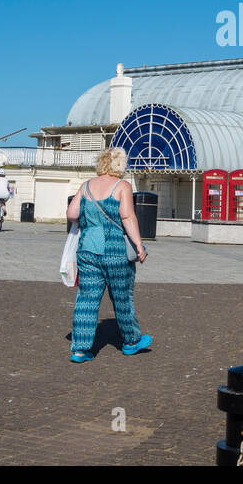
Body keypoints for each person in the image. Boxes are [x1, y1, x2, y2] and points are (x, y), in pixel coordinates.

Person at [65, 147, 151, 363]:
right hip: (114, 251)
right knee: (122, 297)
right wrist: (139, 245)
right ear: (119, 165)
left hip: (87, 250)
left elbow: (72, 214)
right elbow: (128, 217)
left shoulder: (86, 186)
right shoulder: (122, 186)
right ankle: (131, 342)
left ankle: (80, 349)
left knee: (86, 299)